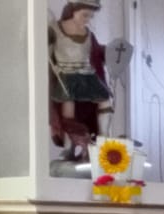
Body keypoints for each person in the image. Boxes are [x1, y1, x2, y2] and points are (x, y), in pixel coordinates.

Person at [49, 2, 113, 160]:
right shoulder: (55, 29)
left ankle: (103, 139)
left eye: (91, 16)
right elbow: (46, 52)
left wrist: (111, 53)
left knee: (105, 100)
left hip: (87, 75)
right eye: (85, 15)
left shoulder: (88, 33)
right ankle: (70, 146)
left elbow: (97, 53)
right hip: (66, 76)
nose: (88, 19)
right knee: (69, 112)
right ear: (73, 11)